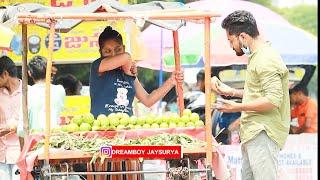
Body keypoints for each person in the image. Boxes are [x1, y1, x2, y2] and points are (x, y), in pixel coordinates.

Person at [211, 10, 290, 179]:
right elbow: (259, 93)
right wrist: (231, 92)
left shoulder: (265, 59)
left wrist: (237, 107)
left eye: (231, 41)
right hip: (253, 133)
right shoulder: (257, 57)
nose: (231, 46)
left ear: (243, 37)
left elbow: (273, 100)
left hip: (262, 132)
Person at [90, 26, 184, 117]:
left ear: (123, 48)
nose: (114, 54)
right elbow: (126, 57)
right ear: (100, 53)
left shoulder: (129, 73)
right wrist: (129, 68)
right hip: (101, 130)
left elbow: (148, 100)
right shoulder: (98, 66)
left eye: (118, 50)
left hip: (125, 129)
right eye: (108, 51)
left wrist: (171, 81)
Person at [18, 55, 65, 136]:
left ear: (29, 73)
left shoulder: (27, 92)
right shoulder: (60, 90)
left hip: (36, 142)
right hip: (56, 139)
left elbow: (21, 130)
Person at [0, 56, 21, 180]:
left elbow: (25, 124)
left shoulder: (27, 92)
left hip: (20, 154)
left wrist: (9, 128)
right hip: (1, 155)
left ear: (5, 74)